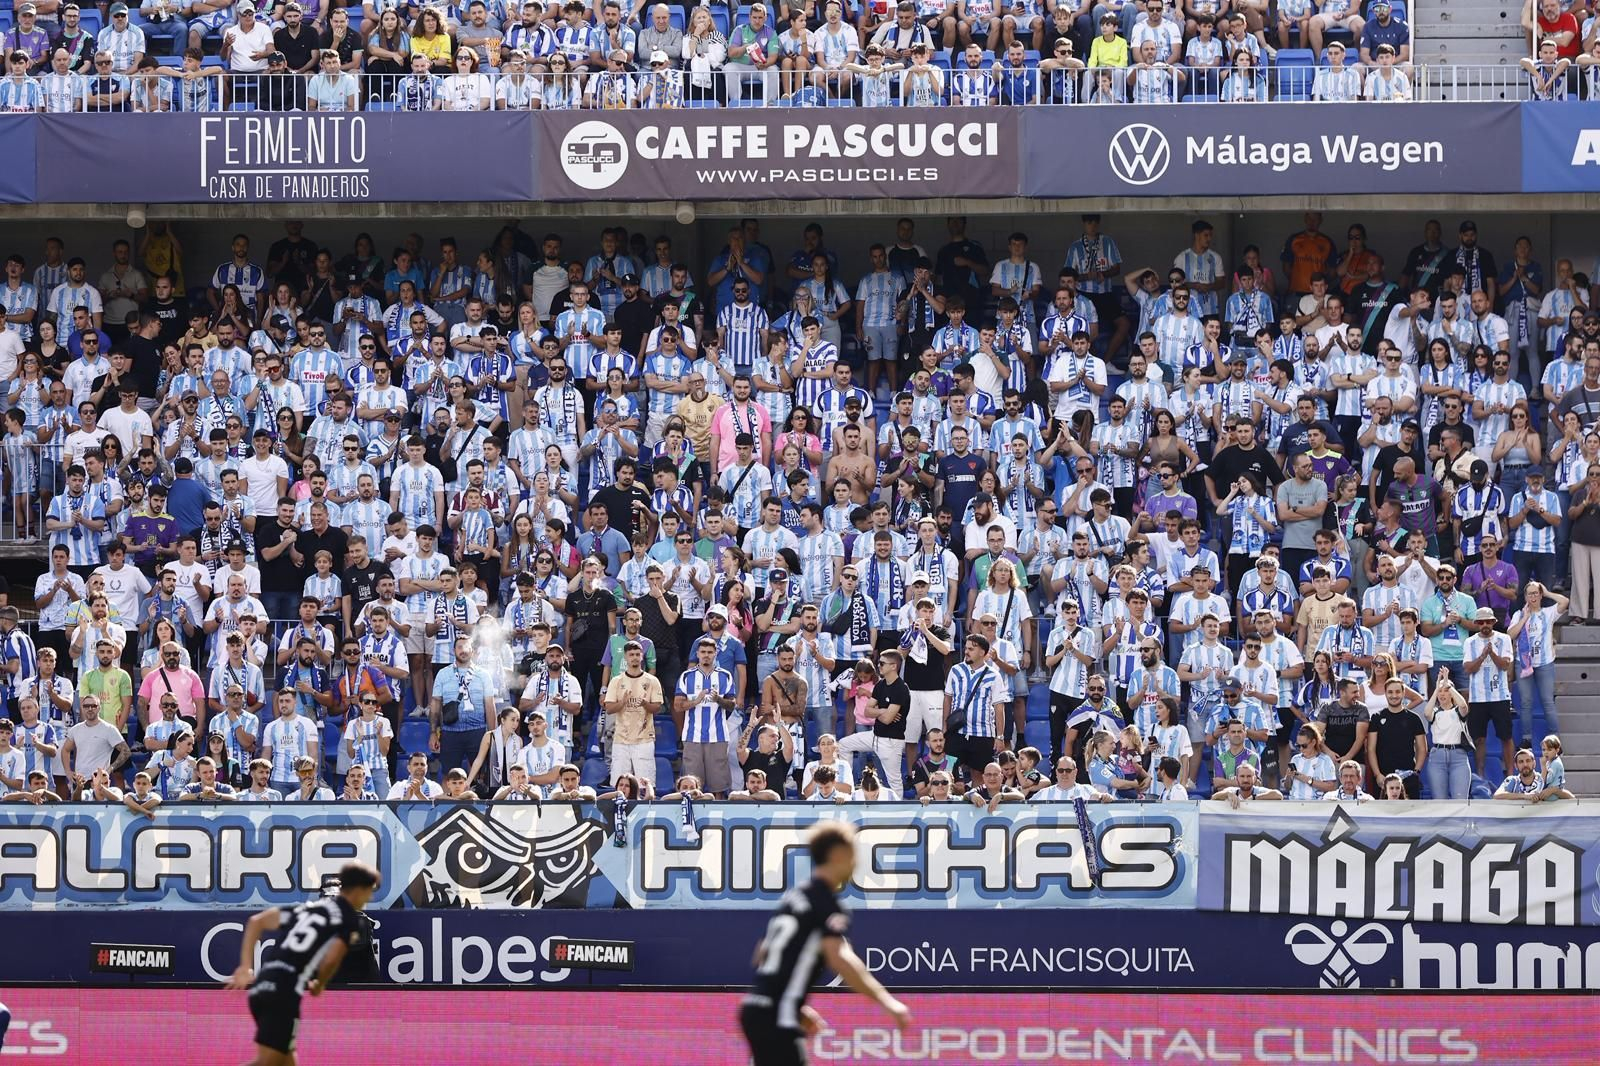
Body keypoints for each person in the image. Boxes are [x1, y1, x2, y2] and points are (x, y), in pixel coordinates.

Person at [740, 822, 910, 1066]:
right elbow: (840, 958)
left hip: (756, 1007)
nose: (856, 863)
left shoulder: (794, 896)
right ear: (839, 854)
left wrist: (795, 1006)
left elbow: (762, 954)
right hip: (778, 1015)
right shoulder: (828, 904)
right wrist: (889, 1003)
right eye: (853, 855)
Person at [225, 861, 381, 1066]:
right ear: (359, 890)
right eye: (369, 892)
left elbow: (256, 922)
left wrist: (245, 967)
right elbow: (332, 959)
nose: (369, 898)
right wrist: (320, 984)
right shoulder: (349, 919)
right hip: (284, 992)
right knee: (266, 1063)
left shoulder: (306, 909)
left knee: (287, 1061)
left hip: (262, 987)